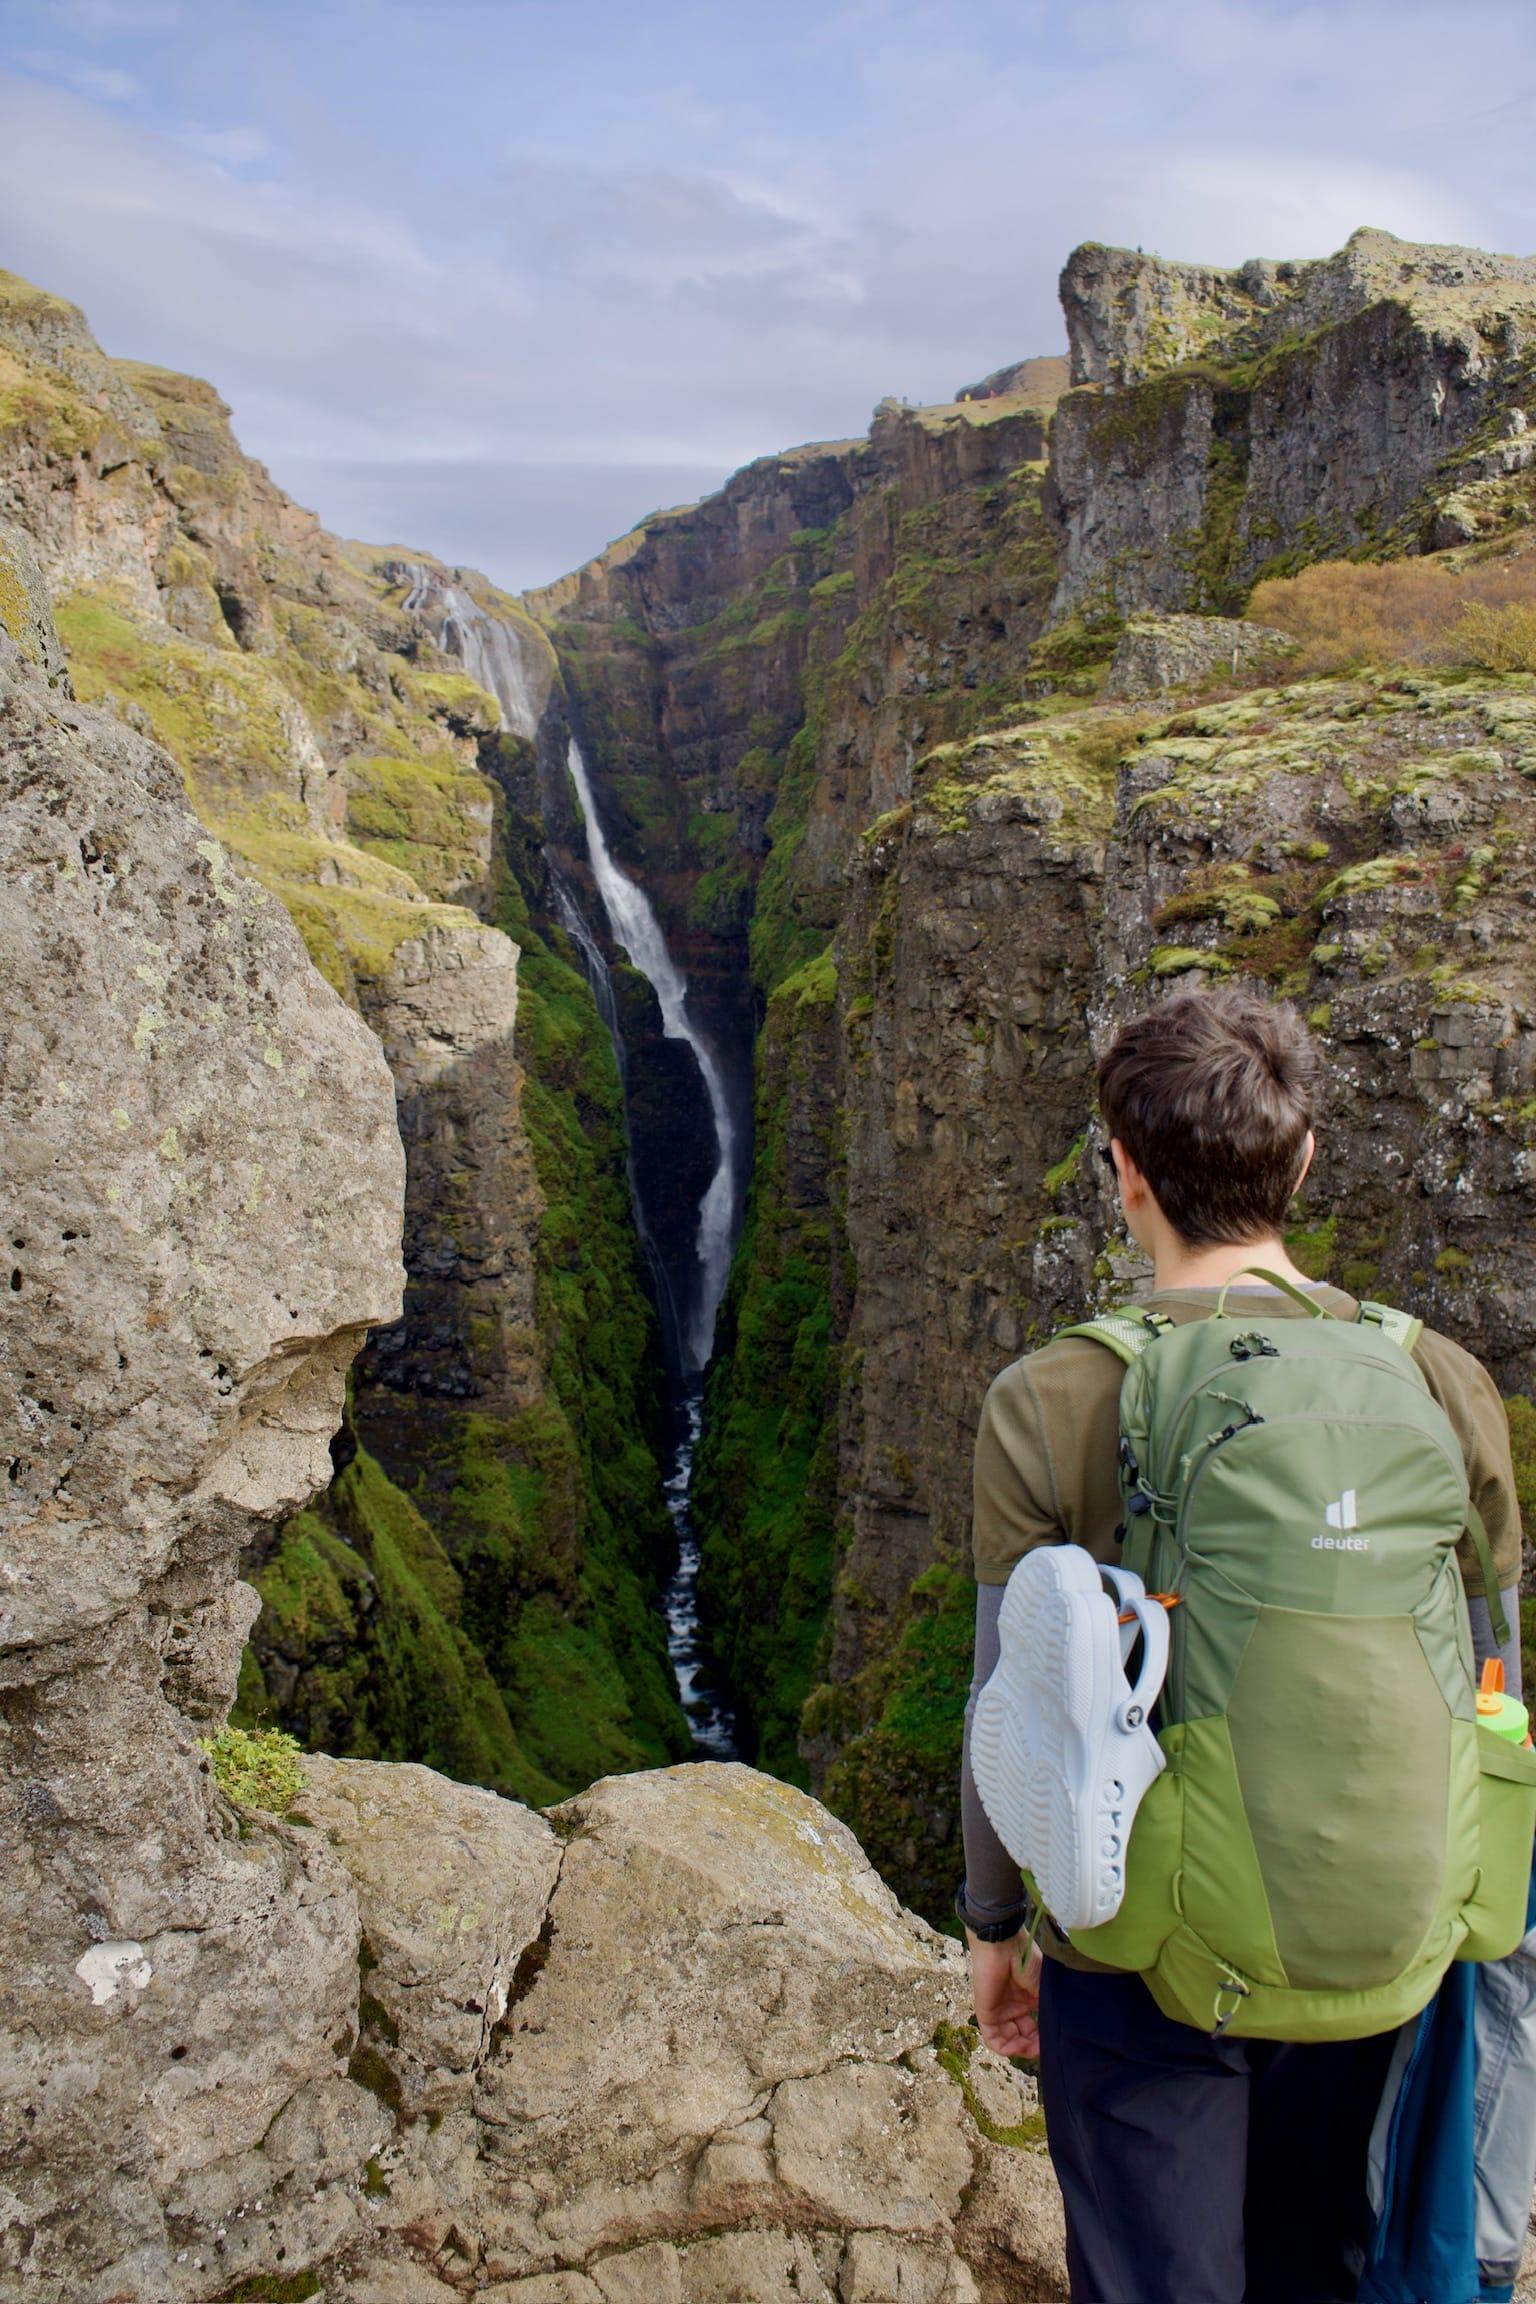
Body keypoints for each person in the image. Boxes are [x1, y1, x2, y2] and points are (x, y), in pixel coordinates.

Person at [958, 987, 1524, 2304]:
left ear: (1125, 1174)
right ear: (1305, 1159)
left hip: (1138, 1947)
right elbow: (1495, 1676)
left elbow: (1004, 1702)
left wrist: (996, 1928)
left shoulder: (1049, 1399)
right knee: (1319, 2256)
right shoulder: (1439, 1377)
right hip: (1379, 1933)